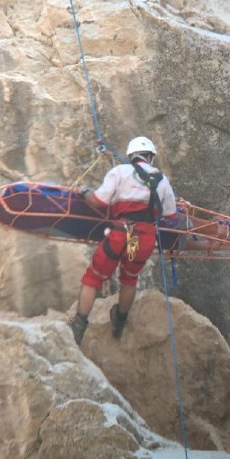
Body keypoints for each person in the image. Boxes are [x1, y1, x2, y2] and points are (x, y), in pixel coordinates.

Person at [69, 136, 178, 345]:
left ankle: (78, 328)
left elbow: (99, 201)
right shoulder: (162, 180)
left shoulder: (120, 172)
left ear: (131, 155)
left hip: (122, 232)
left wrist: (84, 192)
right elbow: (171, 216)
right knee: (129, 278)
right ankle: (119, 324)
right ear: (150, 156)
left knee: (94, 277)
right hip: (141, 237)